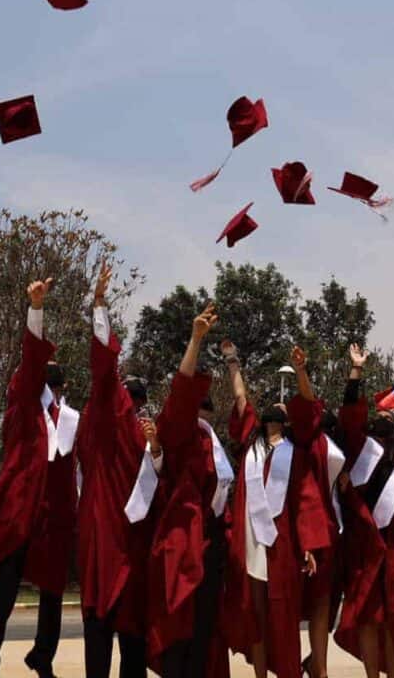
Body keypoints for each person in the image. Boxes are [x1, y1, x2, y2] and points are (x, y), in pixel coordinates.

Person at [0, 278, 73, 678]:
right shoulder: (23, 407)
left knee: (52, 594)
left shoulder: (69, 419)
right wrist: (36, 310)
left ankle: (42, 658)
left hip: (51, 518)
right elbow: (32, 362)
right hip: (19, 514)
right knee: (4, 592)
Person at [221, 344, 329, 678]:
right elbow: (241, 400)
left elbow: (306, 500)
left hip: (283, 543)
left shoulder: (295, 453)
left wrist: (300, 372)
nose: (273, 414)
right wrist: (233, 363)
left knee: (282, 614)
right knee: (255, 612)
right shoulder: (250, 447)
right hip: (251, 538)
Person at [77, 263, 164, 678]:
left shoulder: (141, 434)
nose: (136, 406)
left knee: (129, 643)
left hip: (130, 546)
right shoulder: (106, 421)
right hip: (108, 545)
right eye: (132, 399)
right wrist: (99, 307)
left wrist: (157, 448)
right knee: (104, 633)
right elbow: (103, 370)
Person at [330, 344, 394, 678]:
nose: (384, 424)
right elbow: (349, 414)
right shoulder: (360, 450)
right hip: (363, 548)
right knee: (368, 618)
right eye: (379, 419)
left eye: (390, 420)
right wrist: (355, 372)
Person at [148, 305, 233, 678]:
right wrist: (196, 340)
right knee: (178, 634)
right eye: (199, 406)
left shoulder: (212, 443)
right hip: (182, 545)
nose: (203, 412)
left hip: (211, 549)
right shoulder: (181, 436)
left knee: (204, 636)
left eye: (207, 409)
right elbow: (181, 392)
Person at [287, 348, 348, 678]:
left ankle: (318, 665)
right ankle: (306, 666)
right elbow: (309, 404)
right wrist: (300, 371)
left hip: (334, 528)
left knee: (325, 602)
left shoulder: (334, 445)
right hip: (312, 528)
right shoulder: (309, 442)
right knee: (303, 602)